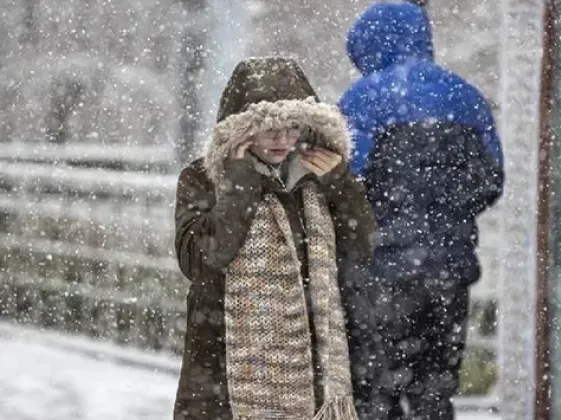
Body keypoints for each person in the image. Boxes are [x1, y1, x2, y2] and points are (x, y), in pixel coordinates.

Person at [173, 56, 376, 420]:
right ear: (241, 130)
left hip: (310, 370)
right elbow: (201, 261)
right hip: (223, 370)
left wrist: (342, 185)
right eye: (270, 130)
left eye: (293, 127)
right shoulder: (204, 178)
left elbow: (362, 246)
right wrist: (239, 186)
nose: (284, 141)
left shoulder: (319, 175)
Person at [339, 2, 505, 419]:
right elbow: (490, 182)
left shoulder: (362, 100)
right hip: (449, 271)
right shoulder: (467, 97)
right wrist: (442, 219)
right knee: (436, 389)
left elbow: (346, 186)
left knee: (377, 390)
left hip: (381, 274)